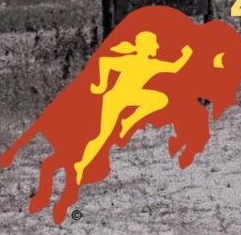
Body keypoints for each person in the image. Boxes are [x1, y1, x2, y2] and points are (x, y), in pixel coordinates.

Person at [73, 31, 192, 184]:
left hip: (130, 95)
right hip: (115, 98)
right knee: (102, 136)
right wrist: (101, 86)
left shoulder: (151, 63)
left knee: (160, 99)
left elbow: (174, 68)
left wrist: (186, 54)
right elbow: (104, 62)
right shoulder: (134, 61)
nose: (157, 47)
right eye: (154, 44)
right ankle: (81, 165)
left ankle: (128, 121)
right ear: (146, 46)